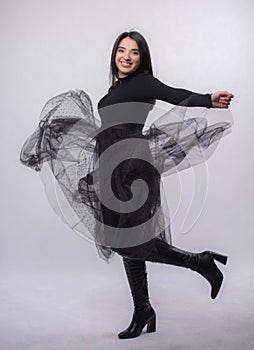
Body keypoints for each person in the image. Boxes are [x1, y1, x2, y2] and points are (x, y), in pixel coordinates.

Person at [20, 30, 233, 340]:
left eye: (134, 52)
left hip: (133, 167)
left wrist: (208, 100)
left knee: (131, 241)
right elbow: (108, 130)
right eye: (122, 50)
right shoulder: (116, 87)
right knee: (122, 241)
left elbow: (174, 93)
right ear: (114, 54)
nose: (126, 56)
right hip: (110, 166)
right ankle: (142, 309)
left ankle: (197, 262)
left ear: (142, 58)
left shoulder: (144, 82)